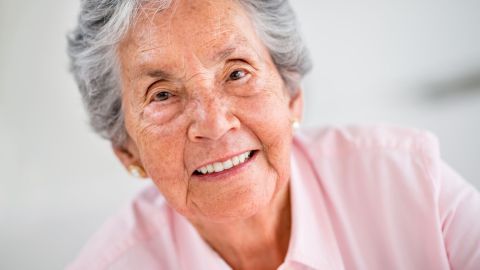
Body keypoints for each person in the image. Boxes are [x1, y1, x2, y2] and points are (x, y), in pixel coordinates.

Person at [66, 0, 480, 269]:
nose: (214, 123)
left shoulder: (408, 179)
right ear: (127, 151)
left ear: (292, 96)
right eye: (163, 95)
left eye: (237, 72)